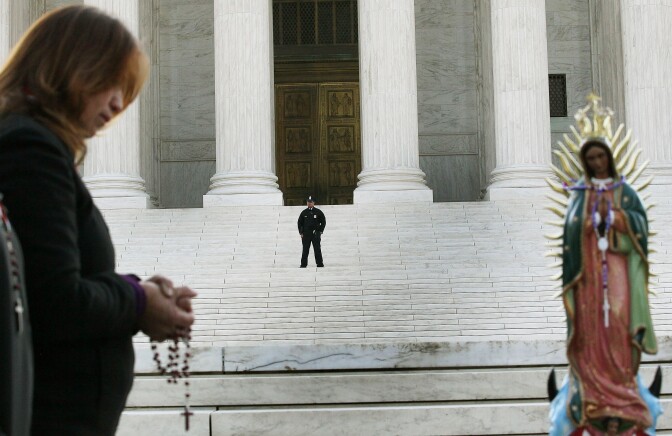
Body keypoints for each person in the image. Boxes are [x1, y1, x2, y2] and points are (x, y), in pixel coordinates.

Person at [0, 6, 196, 435]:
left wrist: (135, 290)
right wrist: (139, 301)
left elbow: (48, 278)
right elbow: (56, 302)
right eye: (112, 84)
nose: (118, 104)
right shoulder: (30, 149)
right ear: (71, 68)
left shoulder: (29, 143)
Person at [550, 135, 659, 433]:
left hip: (618, 267)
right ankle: (594, 395)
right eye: (591, 158)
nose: (597, 163)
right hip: (589, 276)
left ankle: (622, 391)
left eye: (601, 157)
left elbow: (640, 227)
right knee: (591, 326)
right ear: (585, 162)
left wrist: (618, 219)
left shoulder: (625, 192)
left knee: (620, 321)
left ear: (609, 158)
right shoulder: (580, 195)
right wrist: (585, 225)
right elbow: (571, 234)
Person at [297, 195, 326, 268]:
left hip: (315, 233)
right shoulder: (304, 212)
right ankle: (303, 264)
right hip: (306, 234)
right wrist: (301, 232)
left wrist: (320, 231)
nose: (309, 203)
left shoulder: (318, 212)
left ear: (314, 203)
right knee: (305, 250)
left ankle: (320, 264)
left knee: (317, 249)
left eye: (311, 202)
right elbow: (299, 223)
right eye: (308, 202)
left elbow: (323, 221)